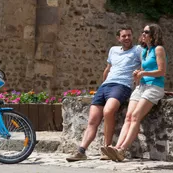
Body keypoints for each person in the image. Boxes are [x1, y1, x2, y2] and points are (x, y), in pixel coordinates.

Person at [66, 26, 142, 162]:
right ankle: (81, 151)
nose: (127, 38)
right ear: (118, 38)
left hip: (122, 85)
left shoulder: (137, 50)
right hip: (105, 86)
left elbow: (146, 66)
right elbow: (108, 69)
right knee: (92, 120)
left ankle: (107, 148)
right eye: (124, 36)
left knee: (108, 111)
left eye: (129, 35)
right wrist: (103, 85)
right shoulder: (113, 50)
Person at [101, 23, 167, 162]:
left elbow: (161, 72)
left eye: (146, 32)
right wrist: (138, 74)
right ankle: (115, 148)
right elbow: (143, 71)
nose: (143, 34)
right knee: (128, 116)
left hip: (154, 87)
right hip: (141, 87)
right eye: (143, 31)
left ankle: (122, 150)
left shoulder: (158, 49)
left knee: (136, 116)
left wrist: (143, 73)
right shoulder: (144, 51)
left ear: (153, 34)